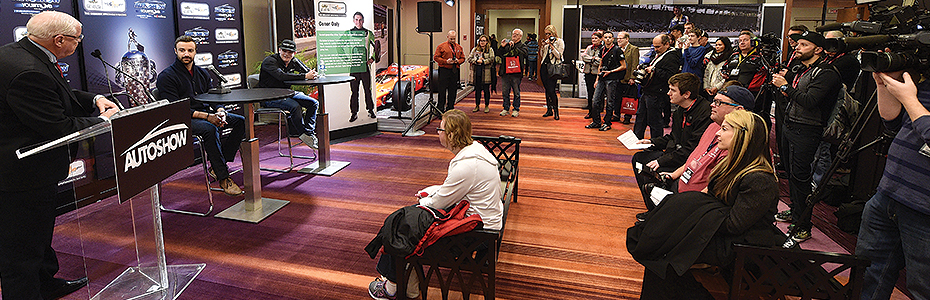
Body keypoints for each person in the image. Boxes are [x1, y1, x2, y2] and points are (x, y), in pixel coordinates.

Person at [0, 11, 120, 300]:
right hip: (22, 174)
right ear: (59, 40)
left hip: (31, 171)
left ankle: (46, 284)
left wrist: (94, 99)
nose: (79, 43)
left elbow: (58, 94)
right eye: (78, 39)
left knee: (38, 233)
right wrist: (107, 122)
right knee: (21, 248)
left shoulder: (25, 52)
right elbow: (60, 127)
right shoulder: (27, 70)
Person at [634, 110, 781, 299]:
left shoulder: (759, 178)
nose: (718, 133)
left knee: (665, 255)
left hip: (745, 244)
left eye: (725, 129)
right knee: (661, 244)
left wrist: (691, 215)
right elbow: (710, 200)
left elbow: (734, 224)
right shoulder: (731, 164)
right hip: (725, 233)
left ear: (743, 136)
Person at [367, 109, 503, 300]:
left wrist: (423, 200)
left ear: (451, 134)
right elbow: (455, 190)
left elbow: (441, 201)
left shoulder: (466, 165)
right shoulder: (475, 151)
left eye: (440, 129)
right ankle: (400, 284)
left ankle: (393, 288)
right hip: (481, 220)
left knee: (402, 230)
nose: (437, 132)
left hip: (476, 233)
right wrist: (430, 192)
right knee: (407, 223)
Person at [855, 69, 930, 300]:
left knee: (922, 288)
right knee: (868, 275)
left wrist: (909, 98)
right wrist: (883, 82)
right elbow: (892, 123)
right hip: (889, 194)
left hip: (924, 208)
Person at [770, 31, 841, 243]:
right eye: (797, 44)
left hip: (808, 130)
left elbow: (810, 101)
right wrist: (787, 89)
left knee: (801, 177)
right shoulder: (804, 69)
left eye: (803, 44)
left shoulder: (826, 73)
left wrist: (784, 86)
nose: (797, 47)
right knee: (791, 174)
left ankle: (803, 225)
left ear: (818, 49)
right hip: (792, 125)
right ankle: (794, 211)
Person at [156, 35, 246, 196]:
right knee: (209, 128)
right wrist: (207, 117)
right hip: (181, 119)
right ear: (175, 51)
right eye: (182, 50)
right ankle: (223, 177)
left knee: (240, 121)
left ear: (195, 52)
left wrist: (220, 111)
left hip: (207, 114)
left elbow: (214, 98)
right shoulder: (166, 76)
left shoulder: (203, 73)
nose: (186, 54)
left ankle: (219, 164)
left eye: (190, 50)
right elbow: (175, 109)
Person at [654, 85, 754, 204]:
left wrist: (685, 204)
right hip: (682, 186)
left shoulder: (739, 142)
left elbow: (718, 185)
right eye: (713, 101)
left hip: (697, 202)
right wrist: (674, 175)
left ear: (738, 110)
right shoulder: (713, 126)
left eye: (718, 102)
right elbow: (696, 157)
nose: (712, 105)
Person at [632, 72, 712, 210]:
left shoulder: (704, 113)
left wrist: (661, 161)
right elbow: (674, 137)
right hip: (676, 153)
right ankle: (654, 209)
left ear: (686, 94)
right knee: (639, 159)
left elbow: (692, 149)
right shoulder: (681, 110)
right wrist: (651, 142)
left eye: (672, 90)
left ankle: (659, 211)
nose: (668, 93)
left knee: (650, 169)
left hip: (687, 161)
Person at [257, 39, 320, 149]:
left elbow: (307, 71)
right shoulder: (270, 61)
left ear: (294, 53)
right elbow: (281, 76)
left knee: (313, 103)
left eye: (290, 52)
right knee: (295, 106)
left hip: (287, 93)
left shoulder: (293, 60)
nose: (287, 54)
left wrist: (312, 74)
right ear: (279, 50)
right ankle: (302, 134)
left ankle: (309, 133)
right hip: (269, 96)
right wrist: (305, 76)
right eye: (284, 51)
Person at [633, 34, 682, 139]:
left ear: (667, 44)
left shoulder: (672, 56)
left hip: (657, 93)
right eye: (654, 46)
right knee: (640, 118)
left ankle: (656, 142)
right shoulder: (660, 54)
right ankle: (636, 138)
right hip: (648, 91)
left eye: (658, 47)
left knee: (655, 121)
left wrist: (655, 70)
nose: (655, 49)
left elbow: (670, 76)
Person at [584, 31, 626, 131]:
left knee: (610, 102)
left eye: (610, 37)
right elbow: (600, 65)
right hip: (602, 78)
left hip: (612, 79)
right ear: (603, 39)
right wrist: (597, 79)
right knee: (595, 100)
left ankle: (607, 123)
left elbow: (623, 66)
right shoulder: (602, 49)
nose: (607, 39)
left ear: (613, 39)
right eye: (606, 37)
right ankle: (596, 121)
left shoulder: (617, 50)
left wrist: (610, 71)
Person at [348, 11, 376, 122]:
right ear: (353, 20)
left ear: (363, 21)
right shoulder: (349, 33)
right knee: (354, 92)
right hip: (354, 67)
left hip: (365, 68)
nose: (358, 22)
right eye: (356, 19)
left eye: (360, 20)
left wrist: (372, 58)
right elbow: (339, 46)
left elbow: (377, 48)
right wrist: (345, 59)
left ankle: (370, 110)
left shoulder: (369, 33)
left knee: (367, 90)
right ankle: (354, 113)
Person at [497, 28, 527, 117]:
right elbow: (498, 54)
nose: (514, 35)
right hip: (505, 72)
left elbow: (524, 54)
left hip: (516, 73)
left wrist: (514, 47)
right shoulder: (507, 44)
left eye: (516, 34)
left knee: (516, 92)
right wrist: (502, 46)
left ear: (520, 36)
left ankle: (516, 108)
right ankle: (506, 108)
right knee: (505, 92)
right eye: (513, 33)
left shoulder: (523, 46)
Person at [434, 30, 465, 112]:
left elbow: (463, 58)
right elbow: (436, 57)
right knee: (442, 90)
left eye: (454, 39)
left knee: (453, 90)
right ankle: (440, 108)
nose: (452, 40)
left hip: (454, 71)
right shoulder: (441, 46)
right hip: (444, 70)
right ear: (447, 37)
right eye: (451, 39)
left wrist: (458, 61)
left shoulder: (459, 47)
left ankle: (450, 108)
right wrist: (445, 61)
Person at [539, 25, 565, 120]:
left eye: (549, 34)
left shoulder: (559, 41)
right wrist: (543, 46)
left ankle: (556, 111)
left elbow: (559, 56)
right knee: (546, 89)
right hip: (544, 68)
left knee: (551, 90)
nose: (547, 36)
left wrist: (551, 45)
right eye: (546, 34)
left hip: (553, 68)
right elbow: (542, 56)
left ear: (553, 33)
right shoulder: (546, 42)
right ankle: (549, 110)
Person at [615, 31, 640, 124]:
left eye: (621, 38)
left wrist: (633, 77)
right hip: (618, 78)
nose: (618, 40)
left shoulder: (634, 49)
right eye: (617, 38)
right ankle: (616, 115)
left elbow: (635, 64)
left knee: (628, 98)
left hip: (628, 78)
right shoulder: (616, 49)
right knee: (617, 98)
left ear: (627, 39)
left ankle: (627, 117)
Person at [467, 34, 495, 113]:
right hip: (477, 72)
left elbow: (492, 59)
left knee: (486, 90)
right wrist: (476, 61)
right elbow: (469, 58)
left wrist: (483, 61)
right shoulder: (475, 49)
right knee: (477, 90)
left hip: (486, 73)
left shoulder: (490, 50)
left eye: (484, 41)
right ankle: (477, 105)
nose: (482, 42)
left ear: (487, 42)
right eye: (480, 41)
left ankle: (486, 105)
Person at [580, 31, 604, 117]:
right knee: (589, 93)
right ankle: (590, 111)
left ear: (601, 39)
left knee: (598, 94)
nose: (594, 40)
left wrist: (591, 60)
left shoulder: (603, 48)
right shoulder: (589, 47)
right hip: (588, 73)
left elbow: (600, 61)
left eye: (596, 38)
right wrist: (593, 59)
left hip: (597, 74)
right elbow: (583, 56)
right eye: (592, 38)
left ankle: (597, 111)